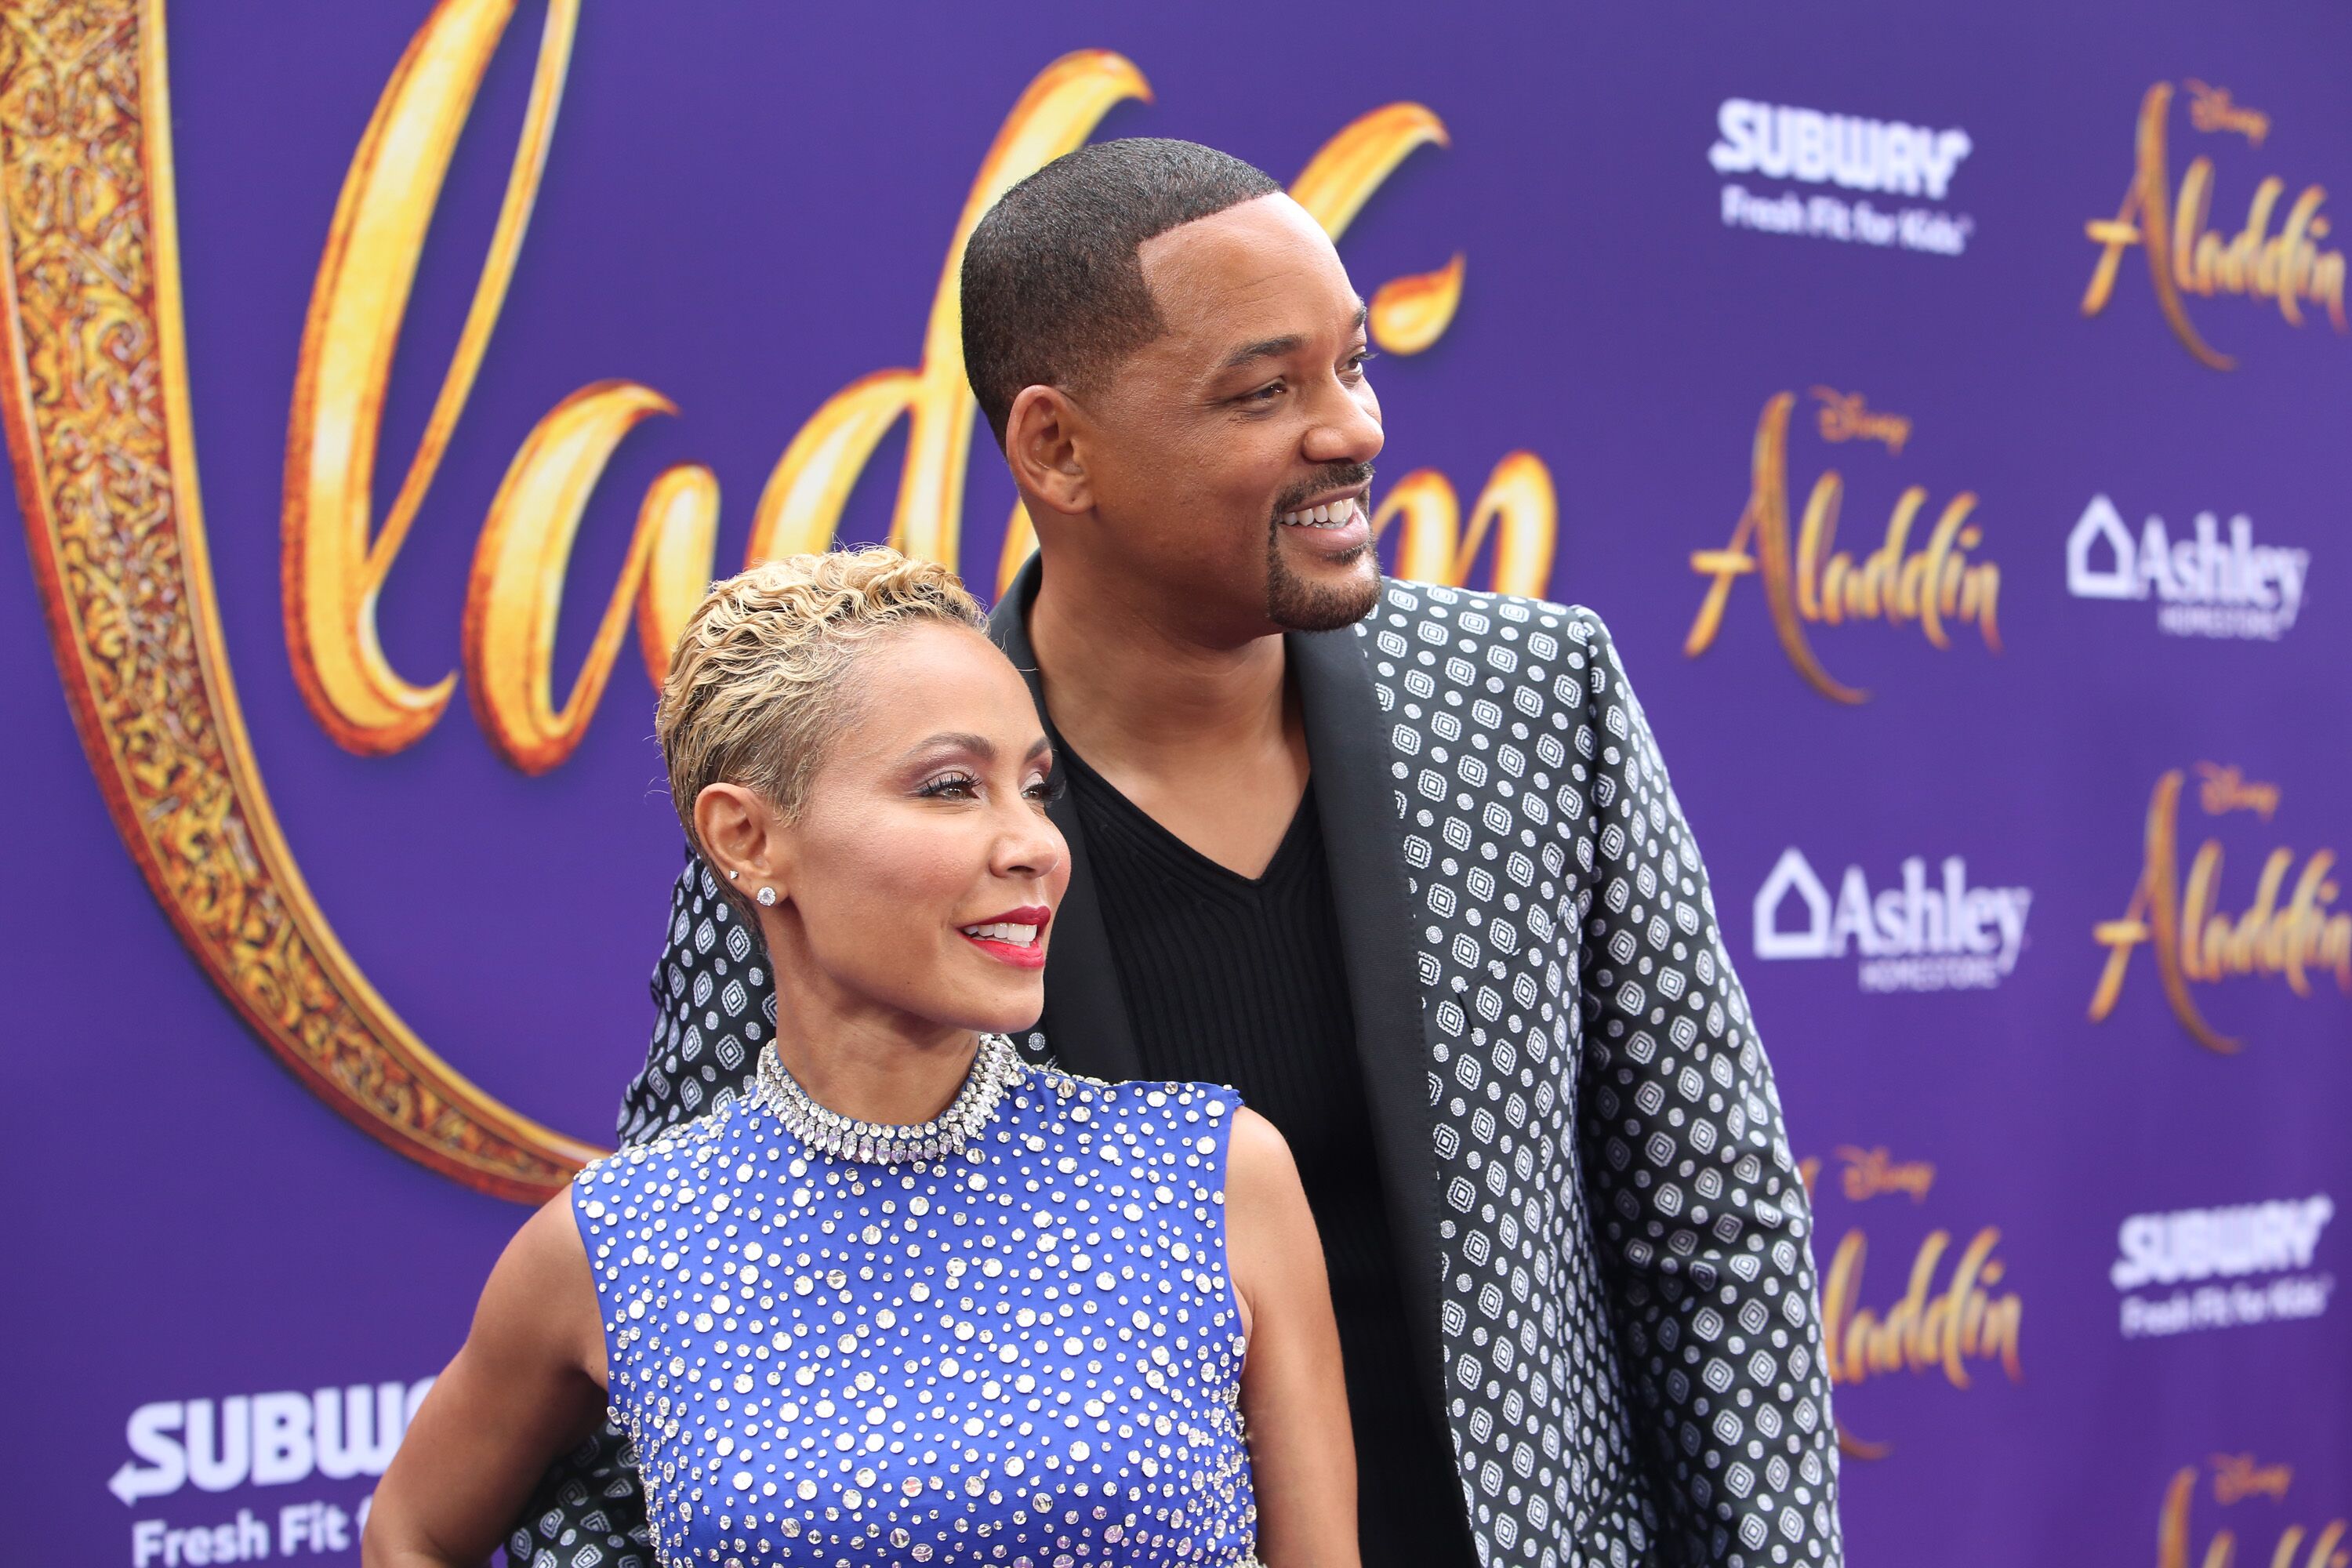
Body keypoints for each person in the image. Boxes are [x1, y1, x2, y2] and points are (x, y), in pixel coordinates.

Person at [517, 138, 1843, 1568]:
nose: (1350, 430)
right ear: (1056, 448)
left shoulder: (1528, 697)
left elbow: (1709, 1230)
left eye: (1354, 366)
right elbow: (666, 1346)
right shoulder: (848, 808)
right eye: (1265, 390)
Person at [367, 550, 1359, 1568]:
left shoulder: (1213, 1177)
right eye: (949, 787)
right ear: (748, 839)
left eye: (1033, 788)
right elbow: (415, 1531)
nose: (1035, 846)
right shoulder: (617, 1246)